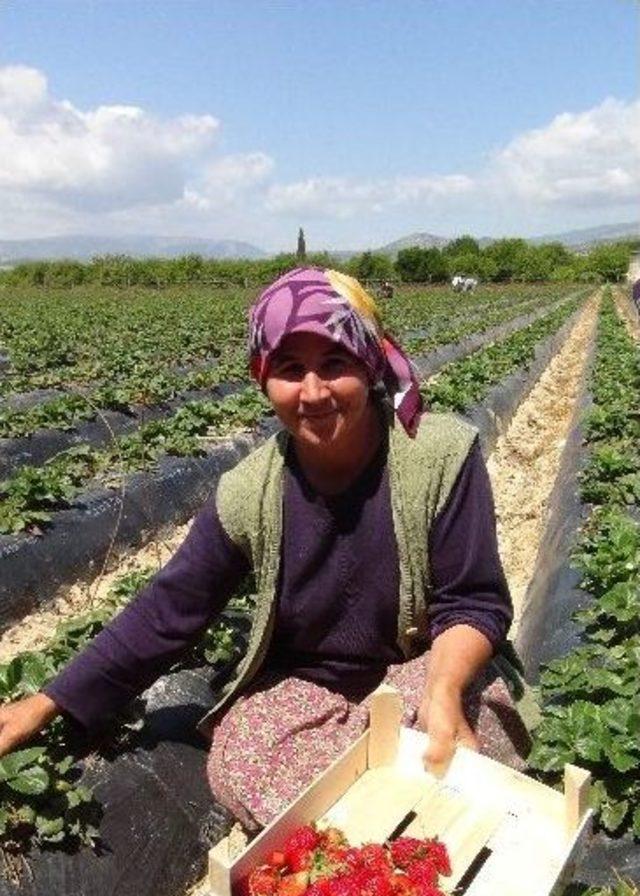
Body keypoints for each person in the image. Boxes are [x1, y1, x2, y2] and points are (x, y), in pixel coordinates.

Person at [0, 267, 532, 830]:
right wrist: (42, 706)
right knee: (241, 758)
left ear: (369, 364)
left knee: (466, 721)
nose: (313, 392)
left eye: (334, 364)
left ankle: (372, 822)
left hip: (423, 668)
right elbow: (169, 610)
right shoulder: (250, 491)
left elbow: (474, 602)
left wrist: (444, 690)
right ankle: (392, 826)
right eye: (288, 368)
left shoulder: (439, 454)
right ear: (262, 377)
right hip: (315, 694)